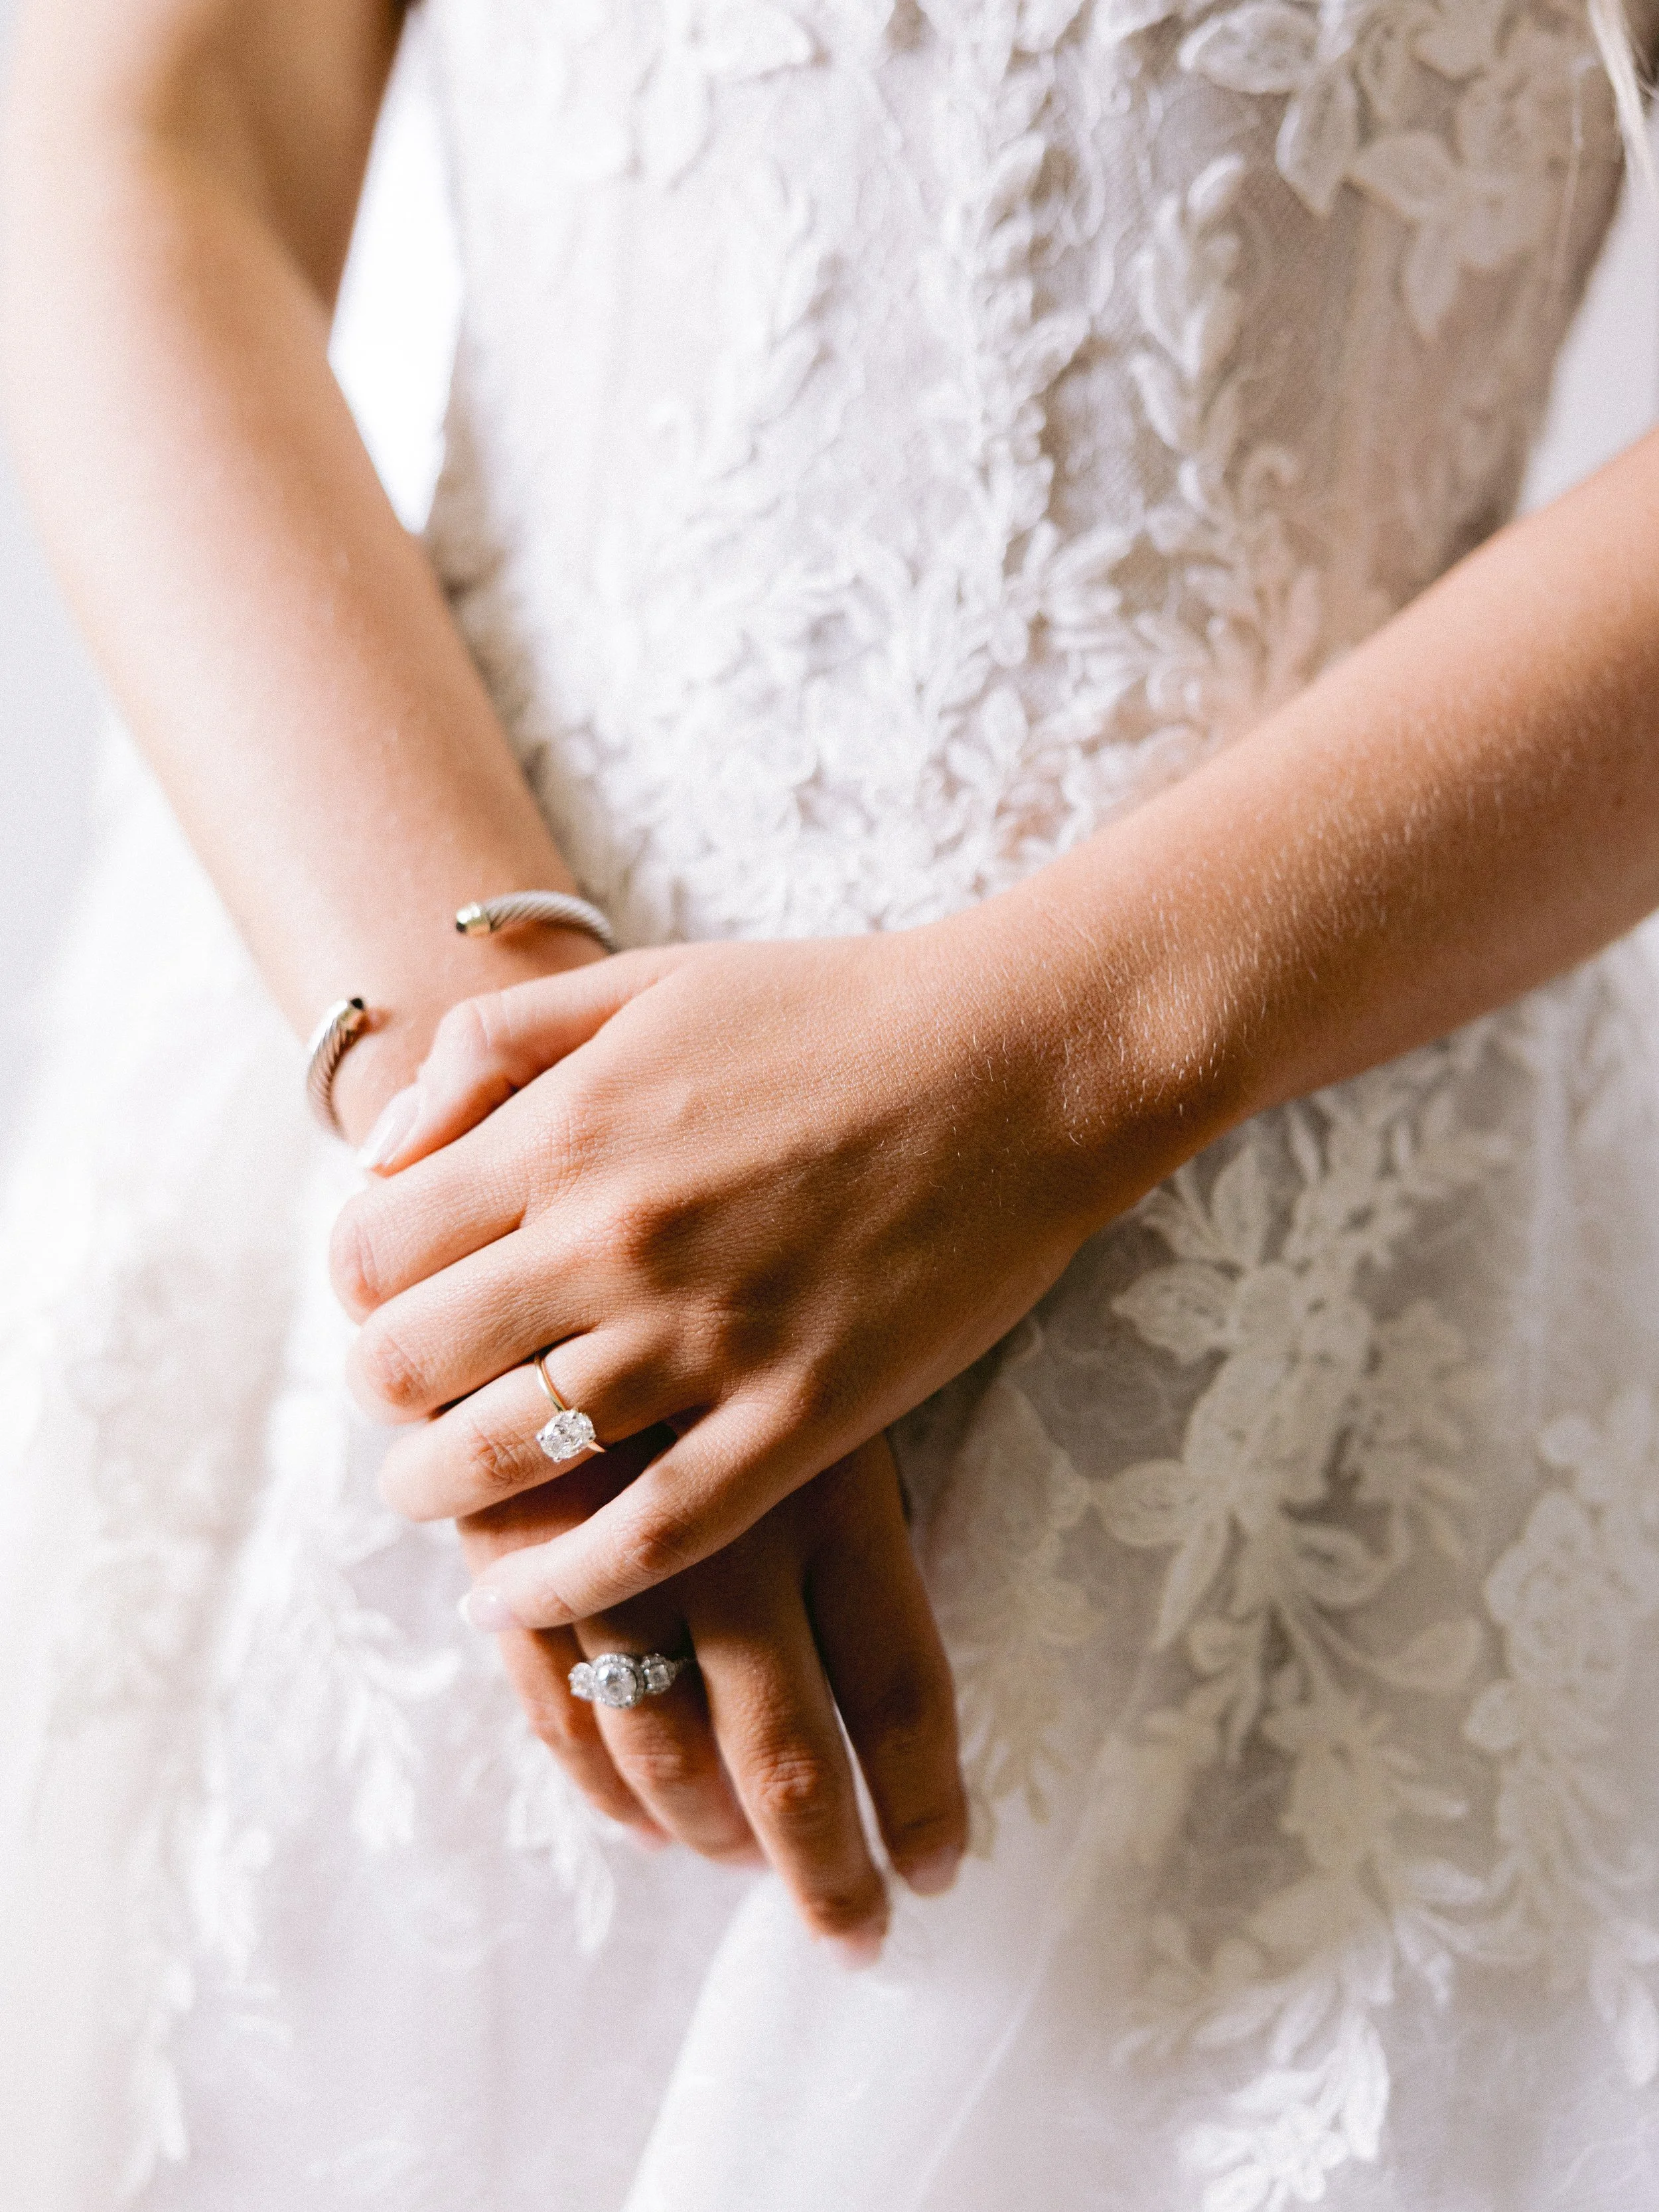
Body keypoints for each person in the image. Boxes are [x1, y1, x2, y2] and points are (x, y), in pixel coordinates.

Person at [3, 0, 1659, 2202]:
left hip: (1273, 1315)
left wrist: (1039, 1072)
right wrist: (503, 1169)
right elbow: (147, 123)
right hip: (384, 1102)